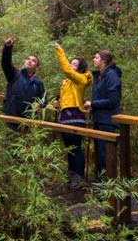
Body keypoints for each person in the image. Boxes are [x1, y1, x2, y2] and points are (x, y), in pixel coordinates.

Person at [52, 42, 93, 189]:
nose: (70, 65)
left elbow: (67, 71)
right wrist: (57, 103)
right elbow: (66, 97)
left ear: (80, 68)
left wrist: (60, 51)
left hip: (75, 116)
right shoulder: (67, 83)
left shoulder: (80, 79)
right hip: (64, 116)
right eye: (71, 63)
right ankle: (71, 175)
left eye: (74, 64)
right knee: (68, 147)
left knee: (76, 147)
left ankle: (79, 177)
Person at [84, 50, 122, 176]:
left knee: (106, 154)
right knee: (100, 154)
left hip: (107, 121)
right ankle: (102, 185)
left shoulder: (111, 75)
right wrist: (92, 105)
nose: (93, 59)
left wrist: (93, 104)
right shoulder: (99, 76)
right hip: (98, 119)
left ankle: (109, 187)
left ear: (104, 61)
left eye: (96, 57)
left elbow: (113, 100)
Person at [1, 37, 45, 130]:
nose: (30, 61)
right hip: (11, 118)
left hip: (28, 123)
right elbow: (6, 63)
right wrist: (8, 48)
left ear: (36, 67)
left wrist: (40, 104)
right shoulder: (14, 74)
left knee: (26, 144)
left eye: (33, 61)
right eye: (28, 59)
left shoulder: (38, 83)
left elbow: (44, 99)